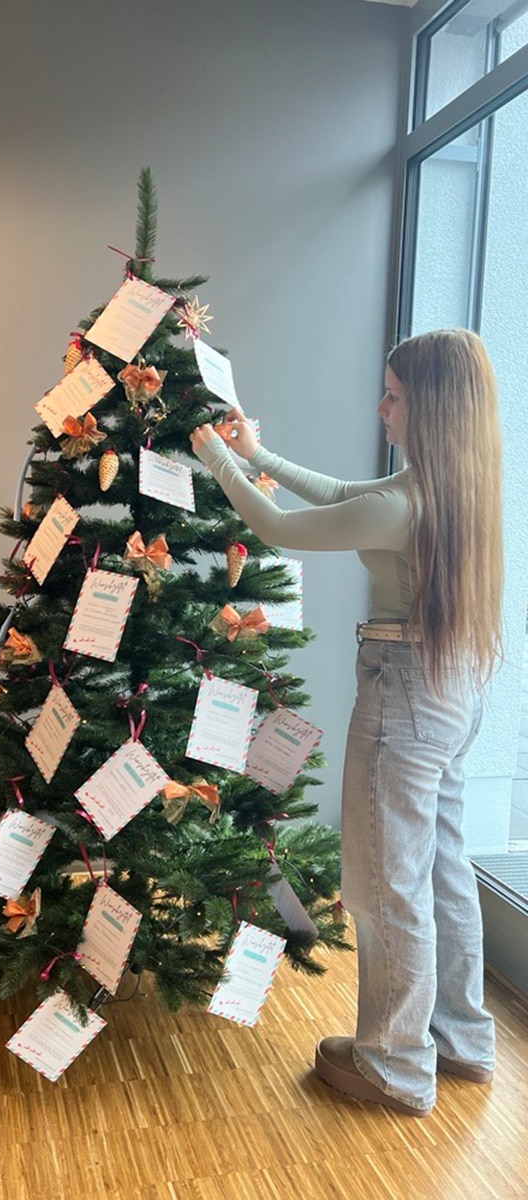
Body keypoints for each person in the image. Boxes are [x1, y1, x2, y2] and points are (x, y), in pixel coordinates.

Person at [190, 329, 502, 1118]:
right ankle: (460, 1039)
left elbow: (281, 530)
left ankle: (395, 1064)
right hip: (455, 686)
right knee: (442, 870)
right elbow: (339, 497)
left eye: (393, 395)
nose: (380, 406)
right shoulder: (453, 484)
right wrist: (261, 455)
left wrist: (218, 460)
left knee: (386, 883)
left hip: (404, 697)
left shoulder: (406, 503)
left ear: (429, 407)